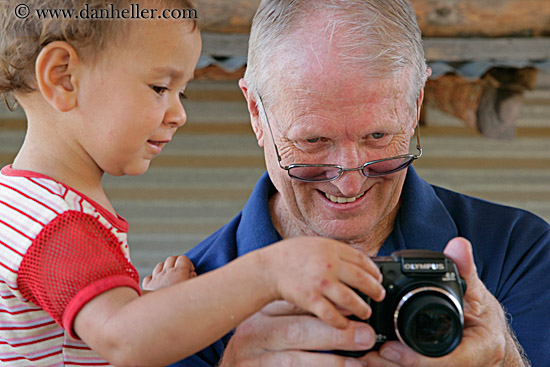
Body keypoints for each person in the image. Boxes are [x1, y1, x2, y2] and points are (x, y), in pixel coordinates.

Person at [0, 1, 387, 366]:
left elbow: (83, 336)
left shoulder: (25, 201)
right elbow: (122, 339)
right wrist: (271, 270)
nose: (179, 114)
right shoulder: (59, 225)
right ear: (63, 77)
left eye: (180, 92)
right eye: (159, 88)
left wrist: (149, 302)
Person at [172, 0, 550, 366]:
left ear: (415, 105)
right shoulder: (183, 299)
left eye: (378, 136)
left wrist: (503, 361)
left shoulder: (520, 252)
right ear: (256, 112)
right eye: (313, 141)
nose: (349, 183)